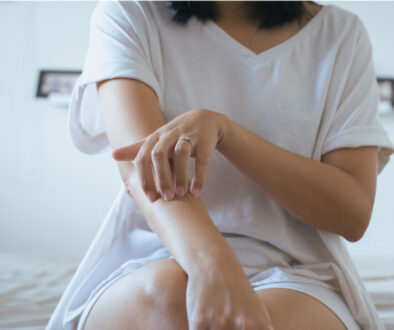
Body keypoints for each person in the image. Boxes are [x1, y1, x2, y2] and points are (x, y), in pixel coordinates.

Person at [47, 1, 394, 329]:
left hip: (297, 272)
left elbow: (352, 212)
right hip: (149, 259)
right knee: (167, 294)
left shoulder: (340, 34)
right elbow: (143, 170)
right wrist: (212, 266)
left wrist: (227, 133)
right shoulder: (129, 12)